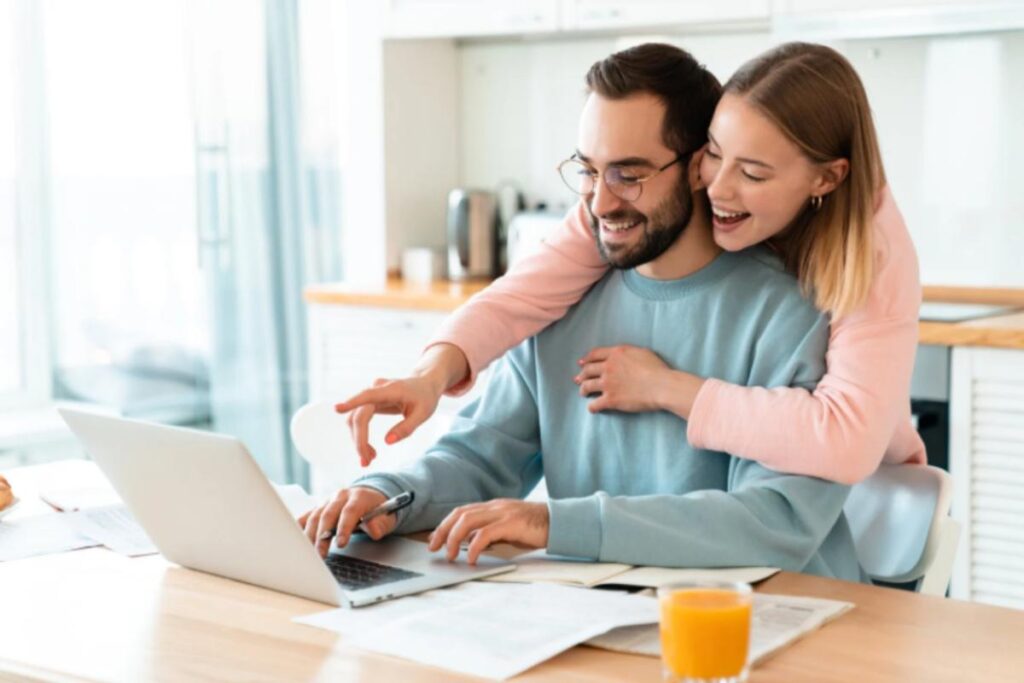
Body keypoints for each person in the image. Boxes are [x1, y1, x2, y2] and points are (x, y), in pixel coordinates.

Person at [301, 44, 863, 582]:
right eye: (589, 171)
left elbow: (772, 521)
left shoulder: (791, 312)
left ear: (699, 168)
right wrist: (389, 495)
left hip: (775, 622)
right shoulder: (564, 297)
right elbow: (480, 455)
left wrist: (554, 523)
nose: (600, 202)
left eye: (629, 174)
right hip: (609, 613)